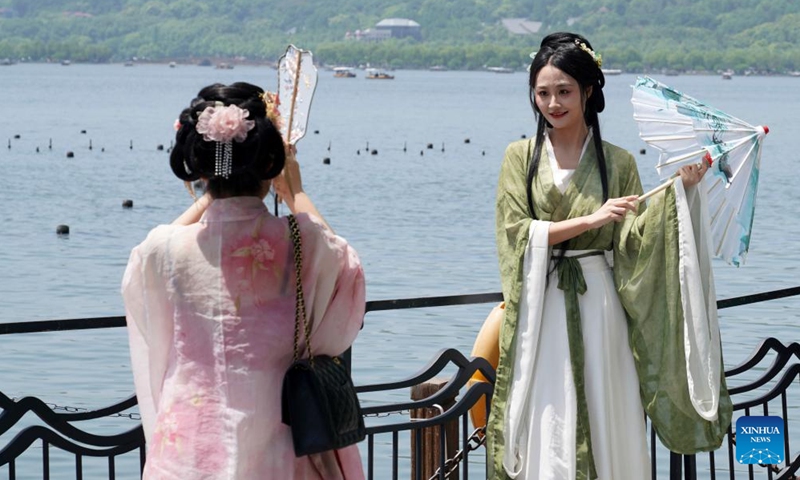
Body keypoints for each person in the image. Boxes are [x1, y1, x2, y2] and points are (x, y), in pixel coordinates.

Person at [486, 33, 732, 480]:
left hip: (600, 304)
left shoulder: (616, 163)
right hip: (543, 310)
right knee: (548, 412)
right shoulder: (518, 158)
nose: (553, 103)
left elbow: (634, 240)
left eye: (564, 91)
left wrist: (681, 192)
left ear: (588, 91)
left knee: (605, 407)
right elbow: (515, 234)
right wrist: (589, 221)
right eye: (543, 92)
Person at [122, 82, 366, 479]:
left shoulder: (162, 251)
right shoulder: (302, 241)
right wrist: (296, 192)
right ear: (270, 165)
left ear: (199, 168)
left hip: (188, 451)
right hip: (282, 442)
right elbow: (349, 278)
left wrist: (213, 192)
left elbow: (140, 267)